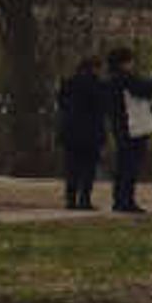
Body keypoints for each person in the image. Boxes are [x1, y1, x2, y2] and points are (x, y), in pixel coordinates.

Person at [102, 47, 152, 215]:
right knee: (130, 166)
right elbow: (148, 90)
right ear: (124, 63)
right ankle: (126, 200)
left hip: (120, 126)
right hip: (132, 127)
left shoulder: (110, 81)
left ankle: (119, 199)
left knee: (123, 165)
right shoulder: (125, 79)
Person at [53, 55, 112, 211]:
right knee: (88, 168)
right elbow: (103, 107)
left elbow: (61, 103)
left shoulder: (69, 83)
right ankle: (84, 199)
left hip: (70, 132)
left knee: (71, 167)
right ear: (95, 68)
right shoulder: (98, 85)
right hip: (90, 133)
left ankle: (70, 199)